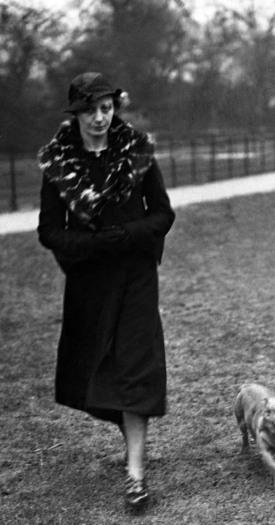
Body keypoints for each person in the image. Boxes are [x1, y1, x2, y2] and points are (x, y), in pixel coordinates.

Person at [37, 72, 175, 507]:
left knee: (136, 366)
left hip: (136, 274)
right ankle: (129, 435)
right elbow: (49, 231)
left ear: (115, 107)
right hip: (90, 280)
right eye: (91, 109)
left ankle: (136, 475)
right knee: (95, 369)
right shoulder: (58, 162)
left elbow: (164, 214)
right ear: (76, 112)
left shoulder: (137, 150)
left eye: (107, 108)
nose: (100, 118)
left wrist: (129, 234)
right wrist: (94, 244)